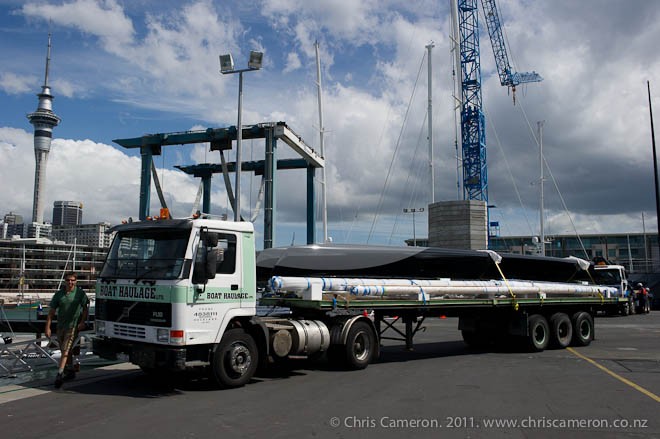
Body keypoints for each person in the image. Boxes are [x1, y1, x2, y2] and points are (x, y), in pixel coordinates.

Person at [45, 271, 90, 389]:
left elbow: (85, 309)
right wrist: (47, 327)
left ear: (76, 281)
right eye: (68, 280)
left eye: (72, 280)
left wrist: (82, 322)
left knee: (65, 350)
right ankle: (70, 370)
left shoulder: (80, 294)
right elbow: (51, 312)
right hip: (60, 326)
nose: (70, 282)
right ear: (65, 281)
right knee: (65, 350)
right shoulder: (59, 295)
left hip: (73, 326)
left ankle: (59, 374)